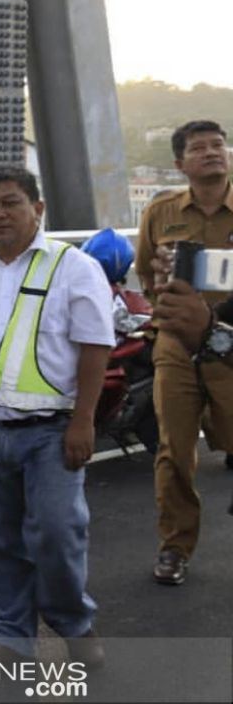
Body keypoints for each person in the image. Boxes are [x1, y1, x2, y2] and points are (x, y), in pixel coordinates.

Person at [0, 168, 112, 666]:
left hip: (52, 430)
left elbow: (96, 345)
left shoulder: (73, 268)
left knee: (56, 532)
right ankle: (10, 634)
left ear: (38, 209)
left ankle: (73, 622)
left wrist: (84, 422)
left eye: (10, 203)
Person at [134, 119, 233, 585]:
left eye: (219, 145)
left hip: (231, 342)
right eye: (200, 148)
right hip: (176, 345)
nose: (212, 152)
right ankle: (175, 546)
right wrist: (165, 305)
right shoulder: (160, 211)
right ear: (180, 163)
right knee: (174, 449)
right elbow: (145, 274)